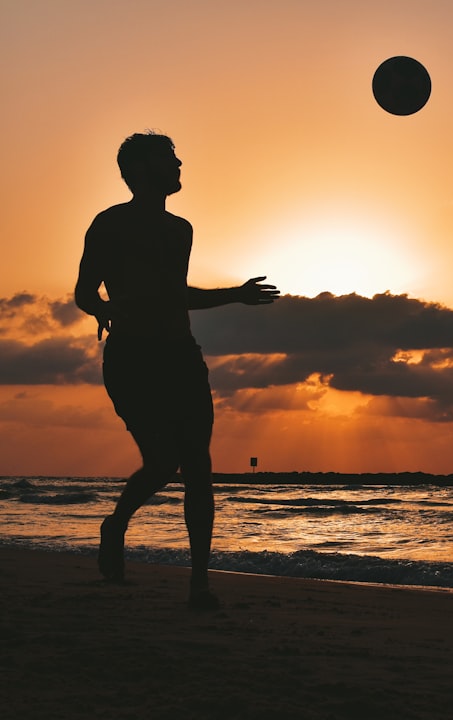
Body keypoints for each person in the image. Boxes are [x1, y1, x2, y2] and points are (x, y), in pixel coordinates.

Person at [75, 132, 280, 610]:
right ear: (140, 171)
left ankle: (199, 585)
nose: (179, 163)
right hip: (131, 360)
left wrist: (236, 293)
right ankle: (116, 523)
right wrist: (101, 309)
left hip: (181, 357)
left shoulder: (180, 229)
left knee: (199, 467)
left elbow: (176, 295)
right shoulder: (109, 225)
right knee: (164, 462)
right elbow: (84, 290)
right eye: (169, 159)